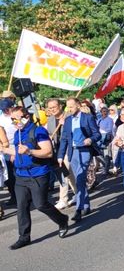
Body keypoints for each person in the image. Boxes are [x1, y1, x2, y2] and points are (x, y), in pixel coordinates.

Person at [5, 106, 69, 250]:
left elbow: (47, 153)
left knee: (40, 204)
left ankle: (62, 219)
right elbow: (16, 149)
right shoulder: (18, 133)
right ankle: (24, 237)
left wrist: (29, 151)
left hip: (38, 174)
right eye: (12, 119)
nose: (15, 122)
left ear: (26, 117)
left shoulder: (38, 131)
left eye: (17, 118)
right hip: (21, 175)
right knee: (21, 207)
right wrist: (10, 152)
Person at [57, 97, 102, 221]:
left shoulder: (87, 117)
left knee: (80, 178)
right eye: (67, 107)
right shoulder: (67, 121)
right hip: (73, 153)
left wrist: (90, 139)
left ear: (78, 105)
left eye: (71, 106)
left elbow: (97, 134)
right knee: (79, 180)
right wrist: (60, 156)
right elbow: (64, 139)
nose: (69, 109)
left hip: (85, 151)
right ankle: (86, 205)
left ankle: (79, 209)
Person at [46, 98, 76, 210]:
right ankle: (77, 192)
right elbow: (50, 133)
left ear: (60, 106)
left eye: (54, 107)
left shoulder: (69, 116)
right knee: (67, 173)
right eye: (50, 108)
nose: (52, 109)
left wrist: (66, 124)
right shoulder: (50, 120)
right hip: (57, 149)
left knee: (64, 173)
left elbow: (74, 132)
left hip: (68, 148)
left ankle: (63, 199)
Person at [0, 98, 17, 207]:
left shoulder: (15, 117)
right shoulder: (1, 118)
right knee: (8, 176)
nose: (6, 111)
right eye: (3, 109)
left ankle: (24, 195)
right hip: (5, 150)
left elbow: (21, 129)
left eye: (7, 109)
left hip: (16, 145)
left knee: (17, 174)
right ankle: (13, 195)